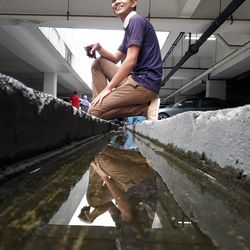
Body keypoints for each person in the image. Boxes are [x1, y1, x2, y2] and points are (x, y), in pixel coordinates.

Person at [86, 0, 162, 120]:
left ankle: (145, 108)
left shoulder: (136, 21)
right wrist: (99, 48)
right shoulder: (130, 27)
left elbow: (131, 60)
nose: (116, 2)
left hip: (144, 83)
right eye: (113, 0)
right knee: (98, 64)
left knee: (93, 111)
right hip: (134, 79)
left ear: (133, 3)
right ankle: (99, 104)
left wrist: (108, 88)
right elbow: (115, 58)